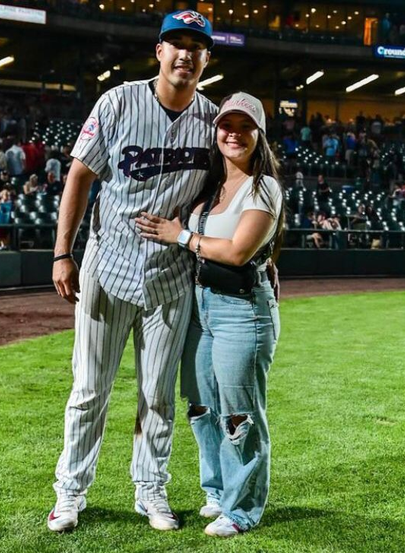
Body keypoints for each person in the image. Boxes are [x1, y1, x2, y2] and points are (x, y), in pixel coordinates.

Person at [48, 9, 217, 533]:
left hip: (170, 274)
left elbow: (231, 188)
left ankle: (151, 490)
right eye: (176, 42)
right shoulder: (118, 101)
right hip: (108, 262)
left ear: (206, 58)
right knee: (89, 390)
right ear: (159, 51)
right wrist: (62, 252)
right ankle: (70, 494)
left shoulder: (215, 121)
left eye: (196, 45)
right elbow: (79, 175)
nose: (186, 53)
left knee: (157, 396)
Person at [136, 92, 283, 537]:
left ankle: (242, 509)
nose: (234, 134)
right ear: (215, 130)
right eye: (226, 125)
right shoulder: (209, 186)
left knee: (239, 413)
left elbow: (238, 252)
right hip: (201, 306)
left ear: (258, 134)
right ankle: (217, 492)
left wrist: (179, 236)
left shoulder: (264, 187)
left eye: (245, 126)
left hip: (242, 311)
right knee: (202, 408)